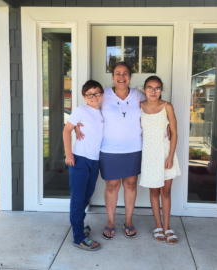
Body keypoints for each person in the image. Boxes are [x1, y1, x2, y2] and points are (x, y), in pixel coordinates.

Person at [76, 62, 147, 239]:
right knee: (112, 186)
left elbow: (155, 110)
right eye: (117, 73)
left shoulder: (140, 95)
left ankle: (129, 221)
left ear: (130, 76)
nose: (121, 76)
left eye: (125, 73)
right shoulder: (104, 95)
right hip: (109, 149)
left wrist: (167, 125)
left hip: (133, 148)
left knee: (130, 185)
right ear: (112, 76)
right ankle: (110, 222)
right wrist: (76, 124)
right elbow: (88, 110)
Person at [63, 80, 104, 251]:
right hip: (80, 159)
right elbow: (66, 130)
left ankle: (78, 226)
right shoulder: (81, 110)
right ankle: (79, 237)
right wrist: (69, 154)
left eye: (97, 93)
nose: (94, 97)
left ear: (102, 94)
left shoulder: (101, 113)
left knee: (86, 197)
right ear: (84, 96)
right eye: (90, 94)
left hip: (95, 161)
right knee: (78, 199)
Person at [140, 76, 181, 245]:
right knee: (154, 191)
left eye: (157, 88)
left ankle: (167, 226)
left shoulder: (167, 107)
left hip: (165, 153)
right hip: (148, 154)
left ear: (161, 90)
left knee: (166, 191)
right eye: (150, 88)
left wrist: (171, 156)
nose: (153, 91)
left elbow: (174, 132)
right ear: (144, 89)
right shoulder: (139, 107)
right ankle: (158, 226)